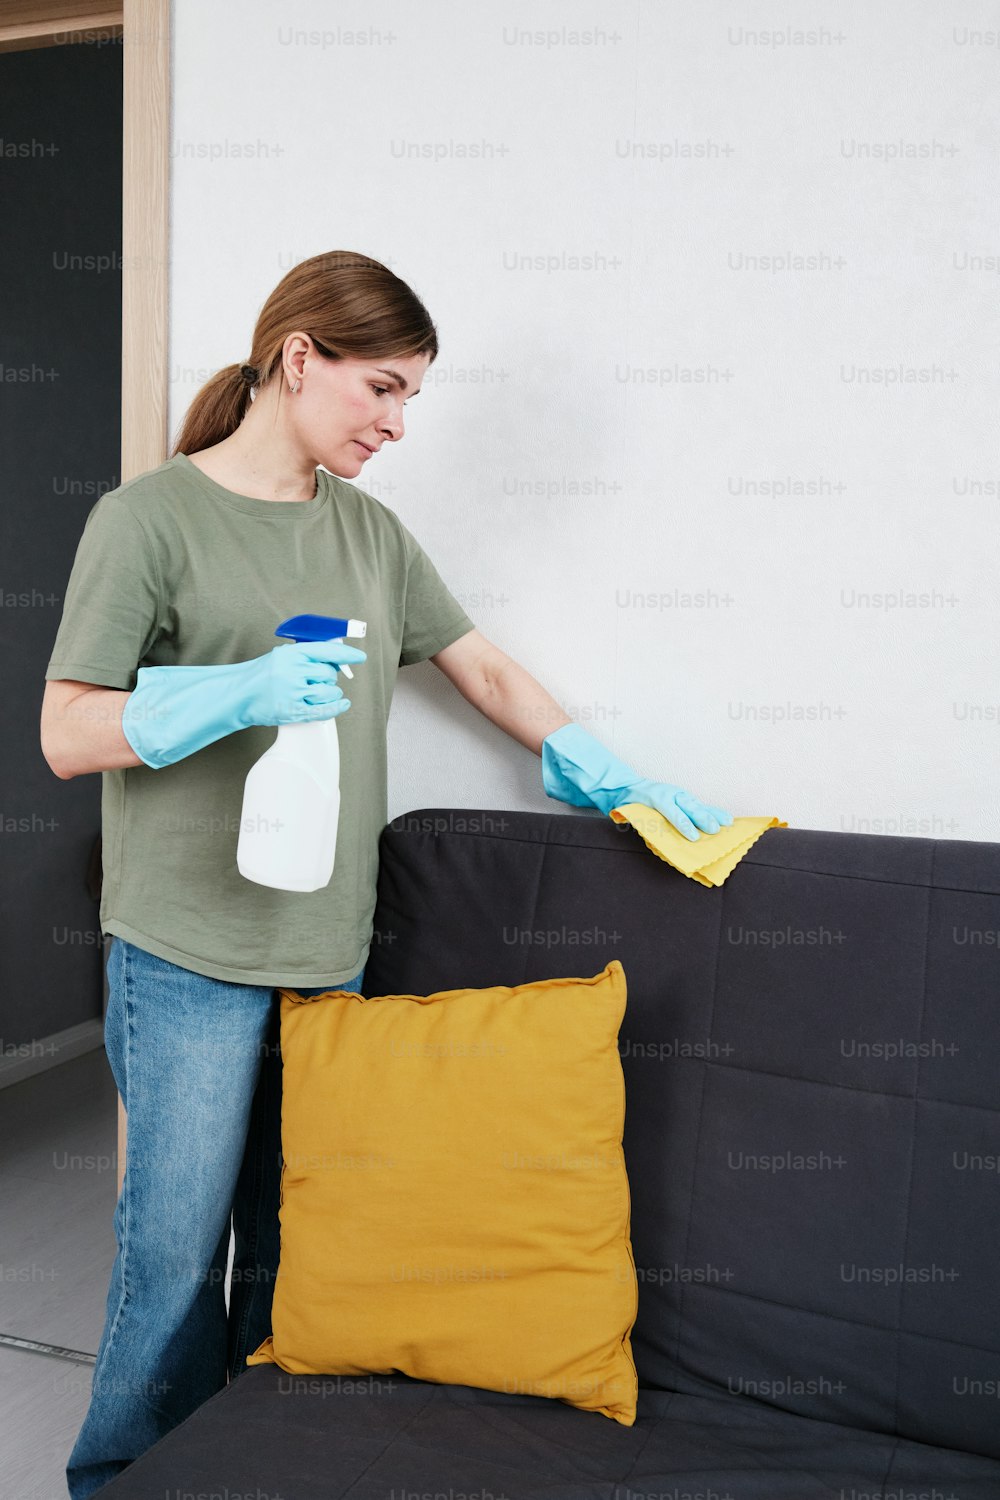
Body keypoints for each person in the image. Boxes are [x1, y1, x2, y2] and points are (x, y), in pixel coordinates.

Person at [39, 249, 733, 1498]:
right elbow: (64, 729)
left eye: (412, 400)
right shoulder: (147, 522)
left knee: (296, 1268)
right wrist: (221, 692)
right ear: (299, 358)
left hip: (326, 953)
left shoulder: (368, 535)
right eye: (383, 389)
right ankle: (119, 1480)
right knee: (175, 1260)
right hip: (186, 954)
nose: (397, 425)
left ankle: (235, 1471)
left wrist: (601, 764)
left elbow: (480, 669)